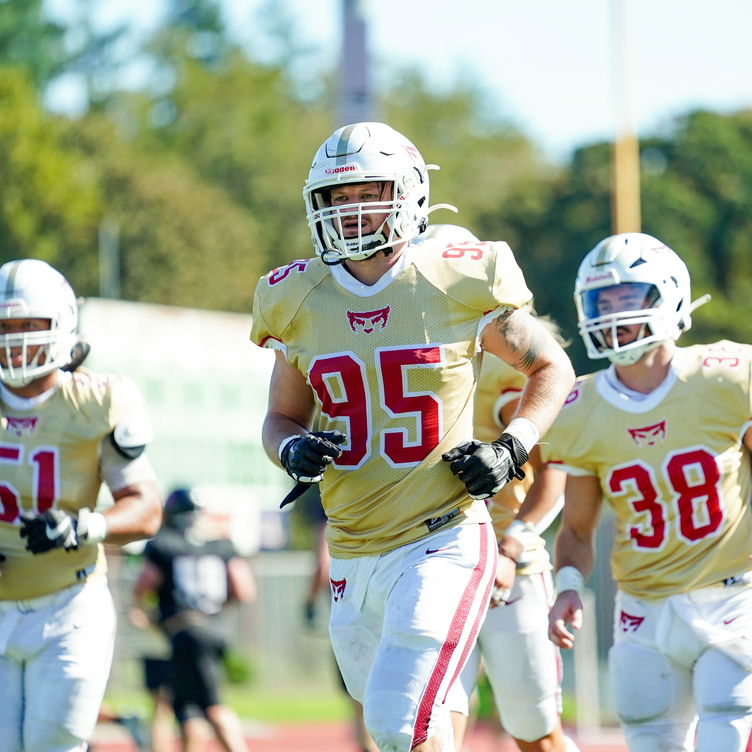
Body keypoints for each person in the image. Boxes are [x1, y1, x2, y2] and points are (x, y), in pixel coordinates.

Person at [251, 121, 575, 752]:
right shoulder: (294, 297)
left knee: (401, 725)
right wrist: (291, 447)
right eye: (336, 198)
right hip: (351, 545)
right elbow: (279, 418)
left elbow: (551, 367)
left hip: (442, 536)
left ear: (410, 192)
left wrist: (512, 447)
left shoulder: (454, 277)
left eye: (368, 191)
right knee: (414, 736)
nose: (351, 211)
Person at [545, 232, 752, 751]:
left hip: (730, 593)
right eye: (602, 302)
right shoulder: (579, 408)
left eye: (628, 299)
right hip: (642, 607)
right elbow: (576, 527)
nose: (613, 314)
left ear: (669, 297)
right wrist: (568, 583)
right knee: (648, 736)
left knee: (727, 728)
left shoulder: (725, 378)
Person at [0, 258, 162, 752]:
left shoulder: (93, 401)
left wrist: (80, 526)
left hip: (68, 607)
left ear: (63, 326)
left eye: (30, 325)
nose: (16, 340)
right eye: (5, 326)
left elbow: (145, 508)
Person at [429, 223, 579, 752]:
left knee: (534, 730)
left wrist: (513, 541)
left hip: (506, 564)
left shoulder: (511, 364)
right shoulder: (402, 343)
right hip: (428, 559)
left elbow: (554, 468)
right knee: (430, 726)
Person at [132, 487, 256, 752]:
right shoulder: (219, 543)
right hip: (214, 628)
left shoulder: (164, 543)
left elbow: (144, 584)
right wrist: (216, 612)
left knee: (212, 706)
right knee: (186, 706)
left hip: (185, 630)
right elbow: (243, 588)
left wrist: (145, 613)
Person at [300, 487, 379, 752]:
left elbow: (322, 564)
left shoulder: (336, 516)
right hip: (390, 598)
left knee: (359, 692)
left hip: (354, 610)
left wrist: (309, 602)